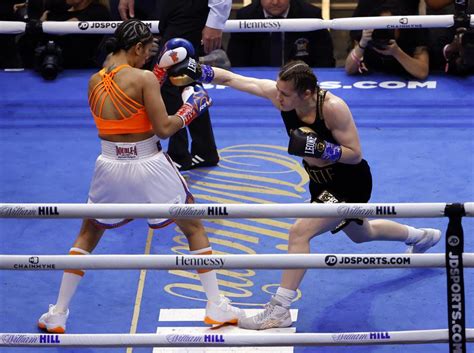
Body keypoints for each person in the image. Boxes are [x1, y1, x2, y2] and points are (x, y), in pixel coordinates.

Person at [165, 57, 442, 330]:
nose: (279, 97)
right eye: (278, 89)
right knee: (362, 234)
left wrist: (322, 149)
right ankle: (422, 236)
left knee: (300, 232)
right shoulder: (281, 96)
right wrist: (199, 70)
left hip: (349, 183)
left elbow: (356, 155)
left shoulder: (333, 108)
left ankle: (279, 310)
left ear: (307, 93)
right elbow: (234, 79)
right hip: (320, 183)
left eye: (286, 94)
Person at [37, 19, 244, 334]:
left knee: (88, 234)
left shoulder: (94, 80)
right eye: (146, 52)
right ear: (135, 48)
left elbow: (129, 104)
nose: (148, 58)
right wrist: (193, 108)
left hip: (108, 165)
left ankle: (58, 313)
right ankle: (215, 305)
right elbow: (163, 127)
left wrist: (157, 74)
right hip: (148, 162)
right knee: (193, 225)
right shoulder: (144, 78)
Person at [118, 0, 231, 170]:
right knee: (184, 77)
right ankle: (204, 150)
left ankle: (180, 154)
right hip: (171, 8)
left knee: (166, 77)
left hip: (190, 10)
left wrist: (215, 21)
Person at [227, 0, 335, 67]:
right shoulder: (245, 16)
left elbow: (325, 60)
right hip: (257, 82)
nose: (275, 2)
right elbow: (236, 61)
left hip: (300, 83)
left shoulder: (310, 15)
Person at [17, 0, 111, 73]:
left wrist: (43, 25)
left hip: (79, 71)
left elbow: (66, 28)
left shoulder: (98, 11)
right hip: (47, 67)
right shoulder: (57, 10)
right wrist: (38, 25)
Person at [345, 0, 430, 80]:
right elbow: (349, 69)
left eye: (390, 27)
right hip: (373, 78)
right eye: (382, 26)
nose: (385, 31)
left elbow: (422, 72)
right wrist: (362, 44)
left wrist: (397, 52)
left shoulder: (414, 31)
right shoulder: (368, 35)